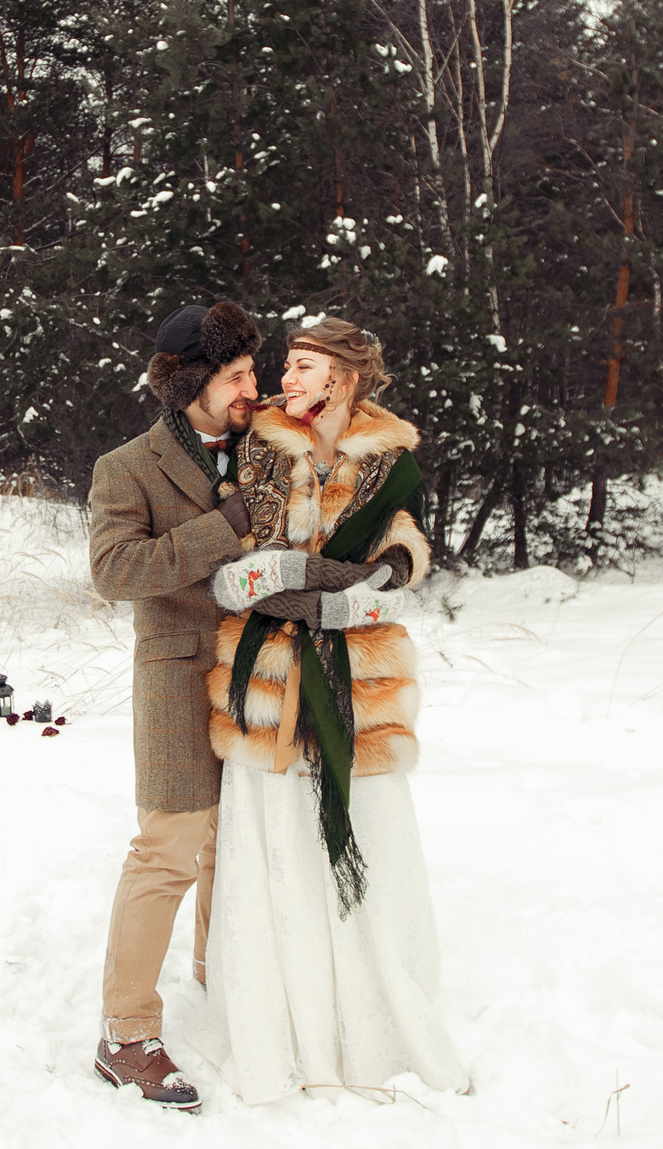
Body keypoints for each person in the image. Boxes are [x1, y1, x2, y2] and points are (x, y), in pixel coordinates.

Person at [85, 301, 405, 1112]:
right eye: (234, 375)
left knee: (236, 844)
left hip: (260, 677)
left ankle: (220, 977)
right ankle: (126, 1033)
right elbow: (116, 570)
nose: (251, 387)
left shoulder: (264, 439)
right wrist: (220, 528)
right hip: (177, 677)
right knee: (168, 849)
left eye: (253, 372)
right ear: (191, 383)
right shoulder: (127, 466)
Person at [196, 316, 464, 1103]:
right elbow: (233, 566)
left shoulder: (391, 457)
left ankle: (370, 1015)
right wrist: (300, 580)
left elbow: (408, 545)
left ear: (343, 378)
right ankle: (283, 1018)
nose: (287, 377)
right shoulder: (257, 448)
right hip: (271, 675)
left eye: (305, 365)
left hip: (358, 676)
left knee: (365, 835)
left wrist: (371, 587)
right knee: (276, 836)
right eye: (288, 364)